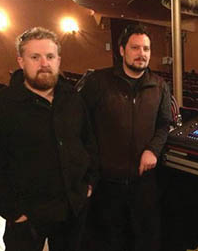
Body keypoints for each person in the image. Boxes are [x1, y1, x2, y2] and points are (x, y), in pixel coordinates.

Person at [0, 27, 99, 251]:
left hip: (72, 208)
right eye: (35, 57)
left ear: (58, 60)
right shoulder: (4, 104)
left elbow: (88, 142)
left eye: (50, 56)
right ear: (21, 61)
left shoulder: (73, 98)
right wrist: (10, 209)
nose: (44, 63)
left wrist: (89, 183)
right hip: (26, 215)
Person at [80, 23, 172, 251]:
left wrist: (153, 149)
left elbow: (164, 124)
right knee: (110, 241)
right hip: (107, 182)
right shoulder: (98, 82)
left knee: (144, 240)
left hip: (144, 183)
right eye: (135, 47)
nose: (142, 54)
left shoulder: (159, 86)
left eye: (146, 49)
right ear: (121, 50)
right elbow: (81, 126)